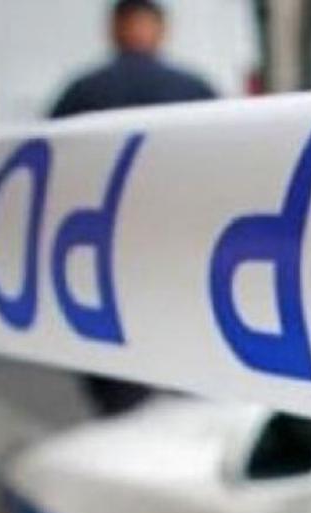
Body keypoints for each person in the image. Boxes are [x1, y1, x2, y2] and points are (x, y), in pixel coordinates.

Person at [51, 0, 216, 417]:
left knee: (116, 380)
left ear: (113, 30)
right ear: (161, 31)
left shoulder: (80, 93)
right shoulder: (195, 89)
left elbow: (48, 171)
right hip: (177, 253)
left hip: (98, 257)